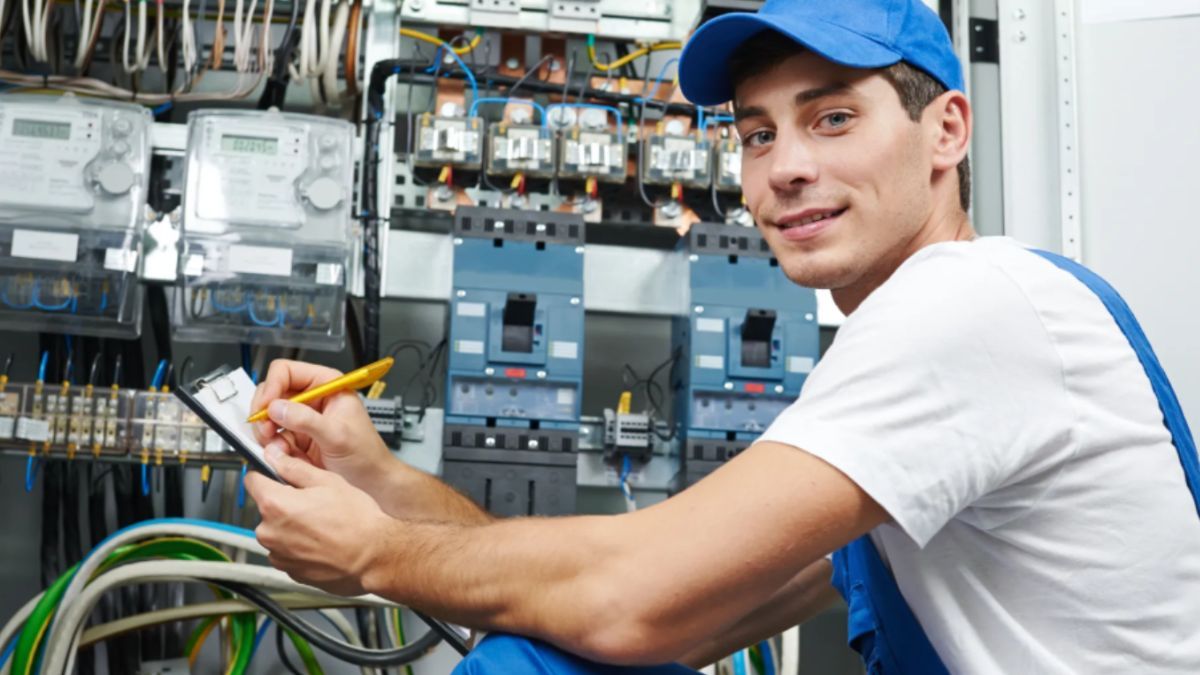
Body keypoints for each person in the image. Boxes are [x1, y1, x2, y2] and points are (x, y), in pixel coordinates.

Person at [244, 0, 1200, 672]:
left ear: (947, 130)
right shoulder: (932, 363)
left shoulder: (969, 306)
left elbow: (629, 596)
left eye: (832, 118)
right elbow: (664, 613)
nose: (784, 169)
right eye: (755, 135)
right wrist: (381, 481)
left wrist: (372, 552)